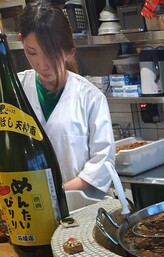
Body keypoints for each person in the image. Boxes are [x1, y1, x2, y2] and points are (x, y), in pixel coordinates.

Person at [17, 0, 115, 199]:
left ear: (70, 53)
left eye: (51, 54)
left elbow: (102, 164)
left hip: (79, 205)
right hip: (24, 203)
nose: (42, 64)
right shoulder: (15, 90)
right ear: (21, 41)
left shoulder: (90, 98)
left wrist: (53, 194)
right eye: (32, 52)